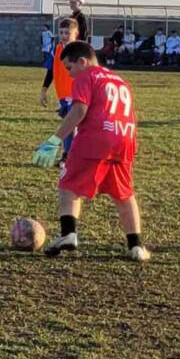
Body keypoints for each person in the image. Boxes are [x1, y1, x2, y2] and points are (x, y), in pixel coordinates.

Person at [34, 41, 148, 262]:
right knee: (124, 195)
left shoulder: (86, 76)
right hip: (124, 139)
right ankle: (136, 246)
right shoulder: (119, 80)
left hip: (96, 138)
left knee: (69, 185)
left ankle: (68, 233)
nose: (70, 74)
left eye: (69, 68)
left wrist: (55, 140)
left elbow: (79, 110)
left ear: (82, 62)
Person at [40, 18, 81, 160]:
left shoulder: (79, 51)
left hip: (76, 95)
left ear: (76, 33)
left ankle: (68, 156)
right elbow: (51, 71)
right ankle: (70, 155)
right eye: (61, 33)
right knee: (68, 125)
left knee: (69, 125)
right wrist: (44, 90)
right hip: (63, 95)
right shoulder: (57, 49)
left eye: (67, 33)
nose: (64, 36)